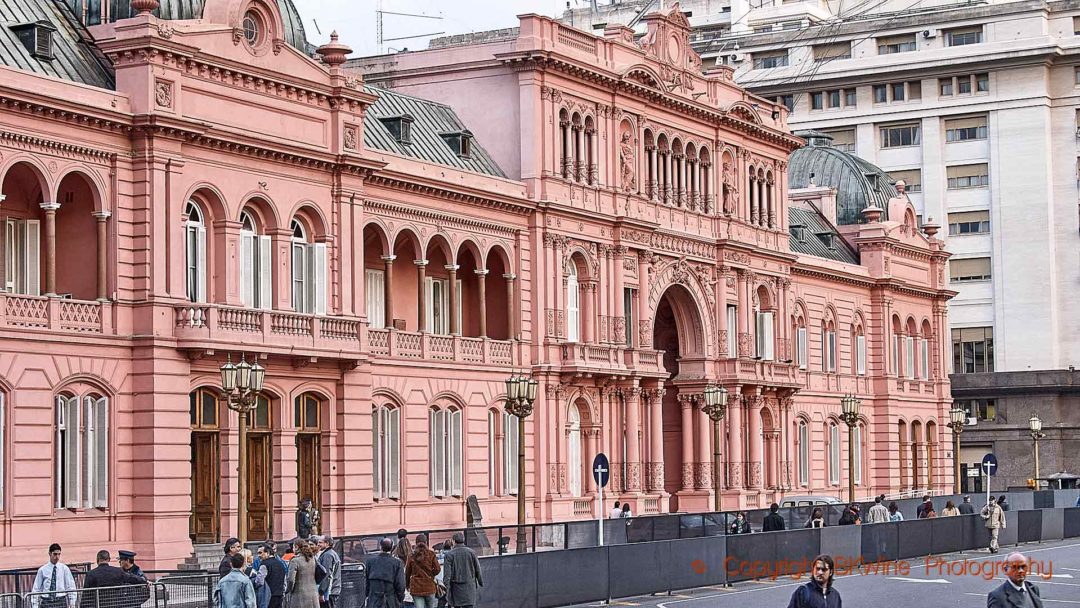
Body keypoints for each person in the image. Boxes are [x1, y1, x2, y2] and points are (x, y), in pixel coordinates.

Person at [80, 550, 148, 608]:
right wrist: (144, 581)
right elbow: (132, 578)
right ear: (109, 559)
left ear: (97, 560)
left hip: (98, 605)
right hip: (116, 604)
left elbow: (86, 594)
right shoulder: (118, 571)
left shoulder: (91, 574)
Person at [31, 543, 77, 608]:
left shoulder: (64, 569)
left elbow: (70, 586)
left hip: (60, 600)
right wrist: (34, 605)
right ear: (50, 554)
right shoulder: (42, 570)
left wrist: (72, 603)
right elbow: (36, 588)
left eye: (59, 554)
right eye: (55, 554)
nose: (57, 557)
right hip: (47, 601)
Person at [443, 532, 482, 608]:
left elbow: (447, 575)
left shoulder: (449, 555)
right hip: (470, 587)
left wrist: (447, 589)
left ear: (454, 541)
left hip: (456, 589)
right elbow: (478, 569)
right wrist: (480, 582)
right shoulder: (471, 552)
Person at [366, 538, 406, 608]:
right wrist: (399, 599)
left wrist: (367, 596)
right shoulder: (397, 563)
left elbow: (366, 583)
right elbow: (400, 585)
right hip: (390, 601)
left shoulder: (370, 562)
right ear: (392, 548)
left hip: (373, 601)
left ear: (381, 547)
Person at [404, 534, 441, 608]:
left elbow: (407, 572)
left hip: (416, 587)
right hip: (429, 586)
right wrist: (431, 575)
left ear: (416, 542)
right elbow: (438, 569)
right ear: (426, 542)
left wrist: (407, 585)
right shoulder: (431, 554)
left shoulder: (411, 555)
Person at [285, 539, 320, 608]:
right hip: (313, 593)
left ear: (297, 547)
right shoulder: (312, 558)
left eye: (293, 547)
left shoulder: (295, 561)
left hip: (299, 594)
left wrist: (288, 590)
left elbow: (291, 579)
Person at [316, 536, 342, 608]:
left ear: (327, 543)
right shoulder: (331, 553)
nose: (318, 544)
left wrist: (321, 592)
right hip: (332, 589)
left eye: (320, 542)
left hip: (329, 591)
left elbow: (326, 575)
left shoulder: (327, 555)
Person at [260, 543, 287, 608]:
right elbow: (284, 580)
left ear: (267, 553)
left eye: (260, 553)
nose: (259, 555)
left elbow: (259, 581)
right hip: (279, 594)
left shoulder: (264, 564)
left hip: (268, 595)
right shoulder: (281, 563)